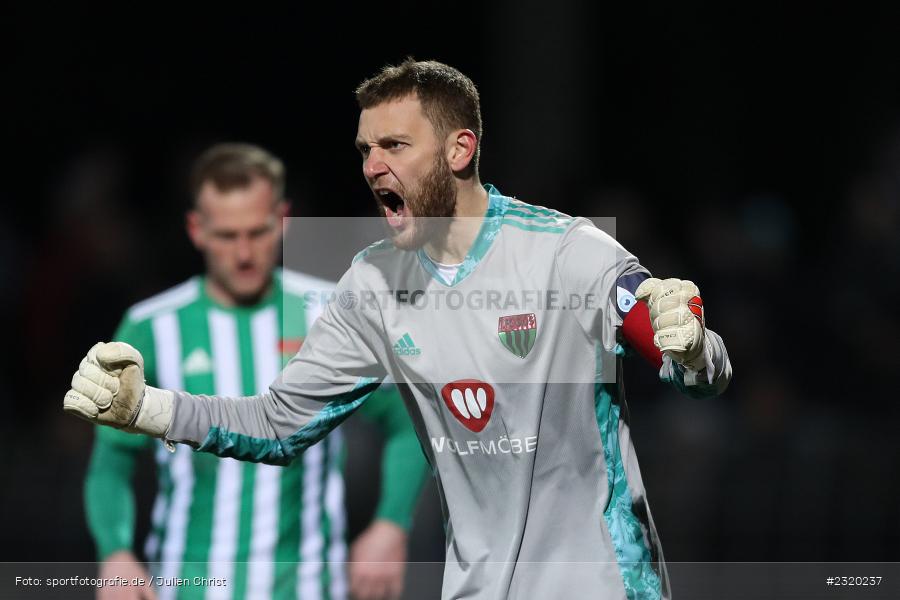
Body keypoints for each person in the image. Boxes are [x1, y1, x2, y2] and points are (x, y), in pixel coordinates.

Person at [66, 61, 732, 600]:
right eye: (365, 149)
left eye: (393, 145)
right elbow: (278, 424)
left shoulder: (565, 251)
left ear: (460, 149)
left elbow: (683, 357)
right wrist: (148, 407)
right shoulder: (374, 285)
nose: (371, 165)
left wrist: (693, 346)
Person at [81, 143, 429, 600]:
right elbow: (111, 462)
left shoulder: (332, 314)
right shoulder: (150, 328)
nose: (244, 253)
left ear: (283, 218)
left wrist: (391, 525)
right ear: (196, 229)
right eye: (226, 235)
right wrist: (115, 554)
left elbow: (408, 419)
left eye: (258, 231)